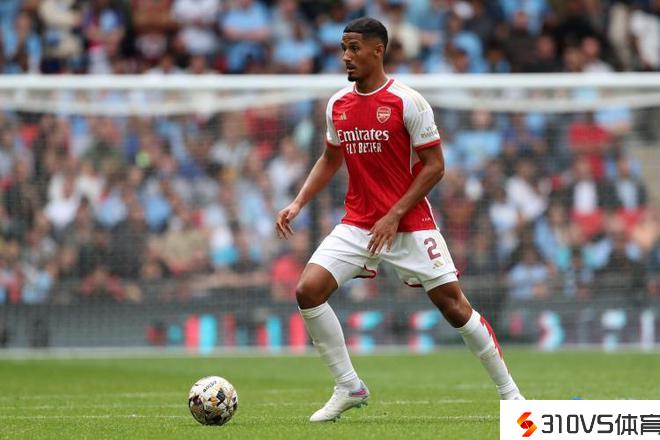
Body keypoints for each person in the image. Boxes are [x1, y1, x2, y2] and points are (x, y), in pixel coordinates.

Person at [275, 17, 524, 423]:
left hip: (409, 224)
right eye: (343, 48)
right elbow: (330, 158)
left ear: (378, 50)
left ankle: (512, 396)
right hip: (358, 223)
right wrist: (298, 202)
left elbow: (435, 166)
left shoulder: (408, 102)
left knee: (454, 307)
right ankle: (349, 386)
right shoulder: (337, 105)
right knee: (308, 290)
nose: (346, 56)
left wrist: (393, 215)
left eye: (354, 48)